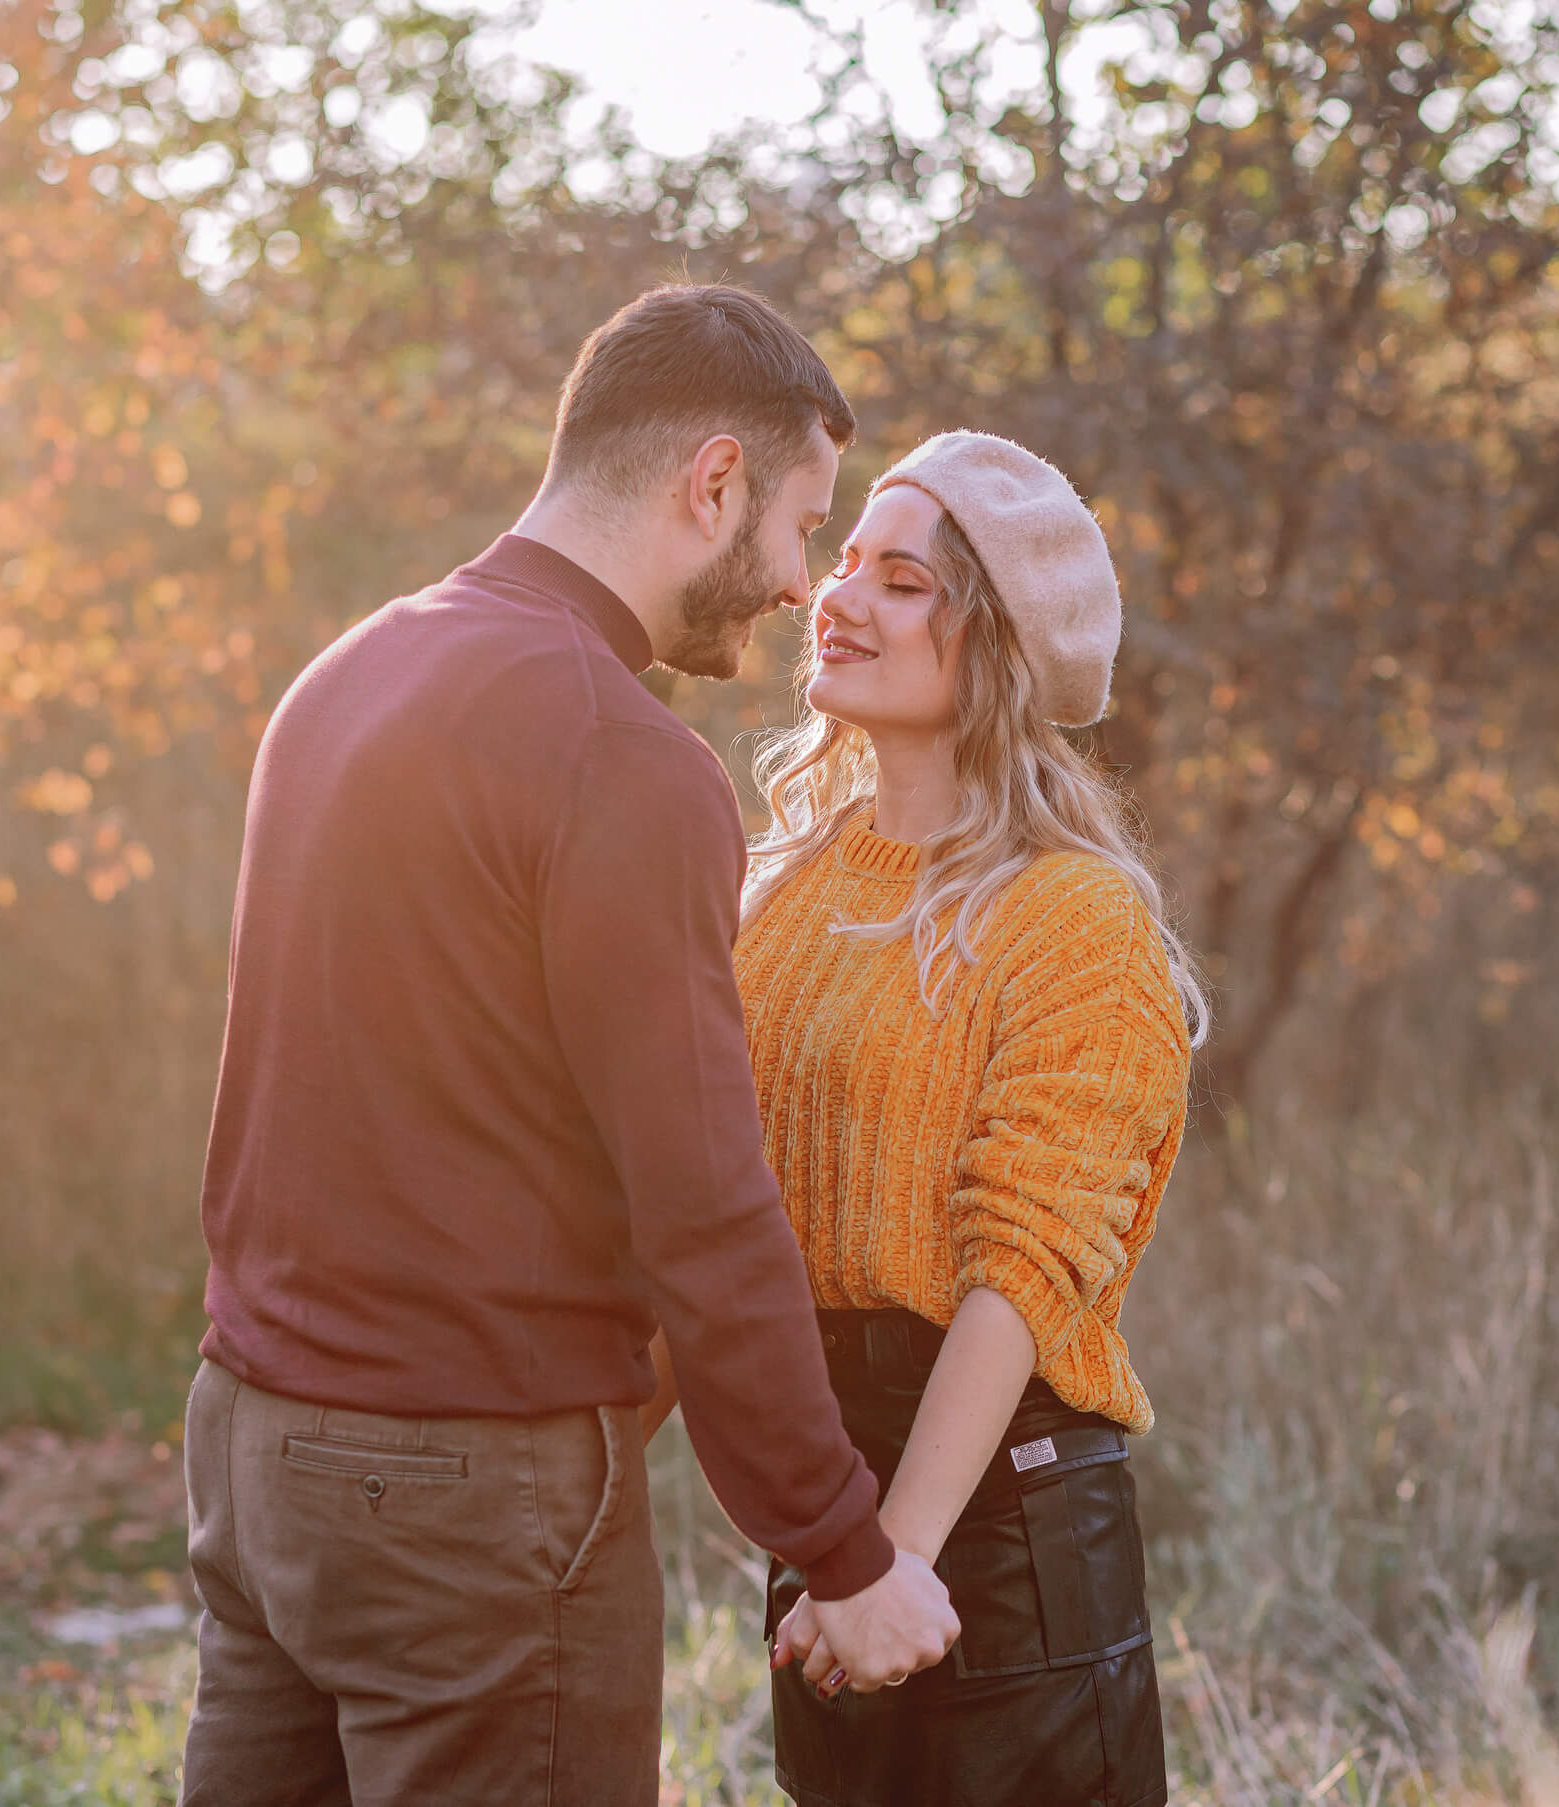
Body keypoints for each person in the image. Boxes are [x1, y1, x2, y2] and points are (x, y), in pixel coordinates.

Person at [178, 285, 958, 1807]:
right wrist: (841, 1548)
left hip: (251, 1447)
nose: (806, 585)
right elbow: (707, 1211)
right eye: (804, 525)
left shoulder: (343, 678)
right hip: (469, 1497)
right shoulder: (623, 755)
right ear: (711, 481)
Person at [745, 432, 1206, 1806]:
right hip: (827, 1503)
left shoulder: (1075, 916)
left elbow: (1025, 1268)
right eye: (845, 565)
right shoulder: (780, 894)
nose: (842, 600)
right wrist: (835, 1546)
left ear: (994, 645)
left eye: (903, 581)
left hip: (1003, 1525)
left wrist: (895, 1556)